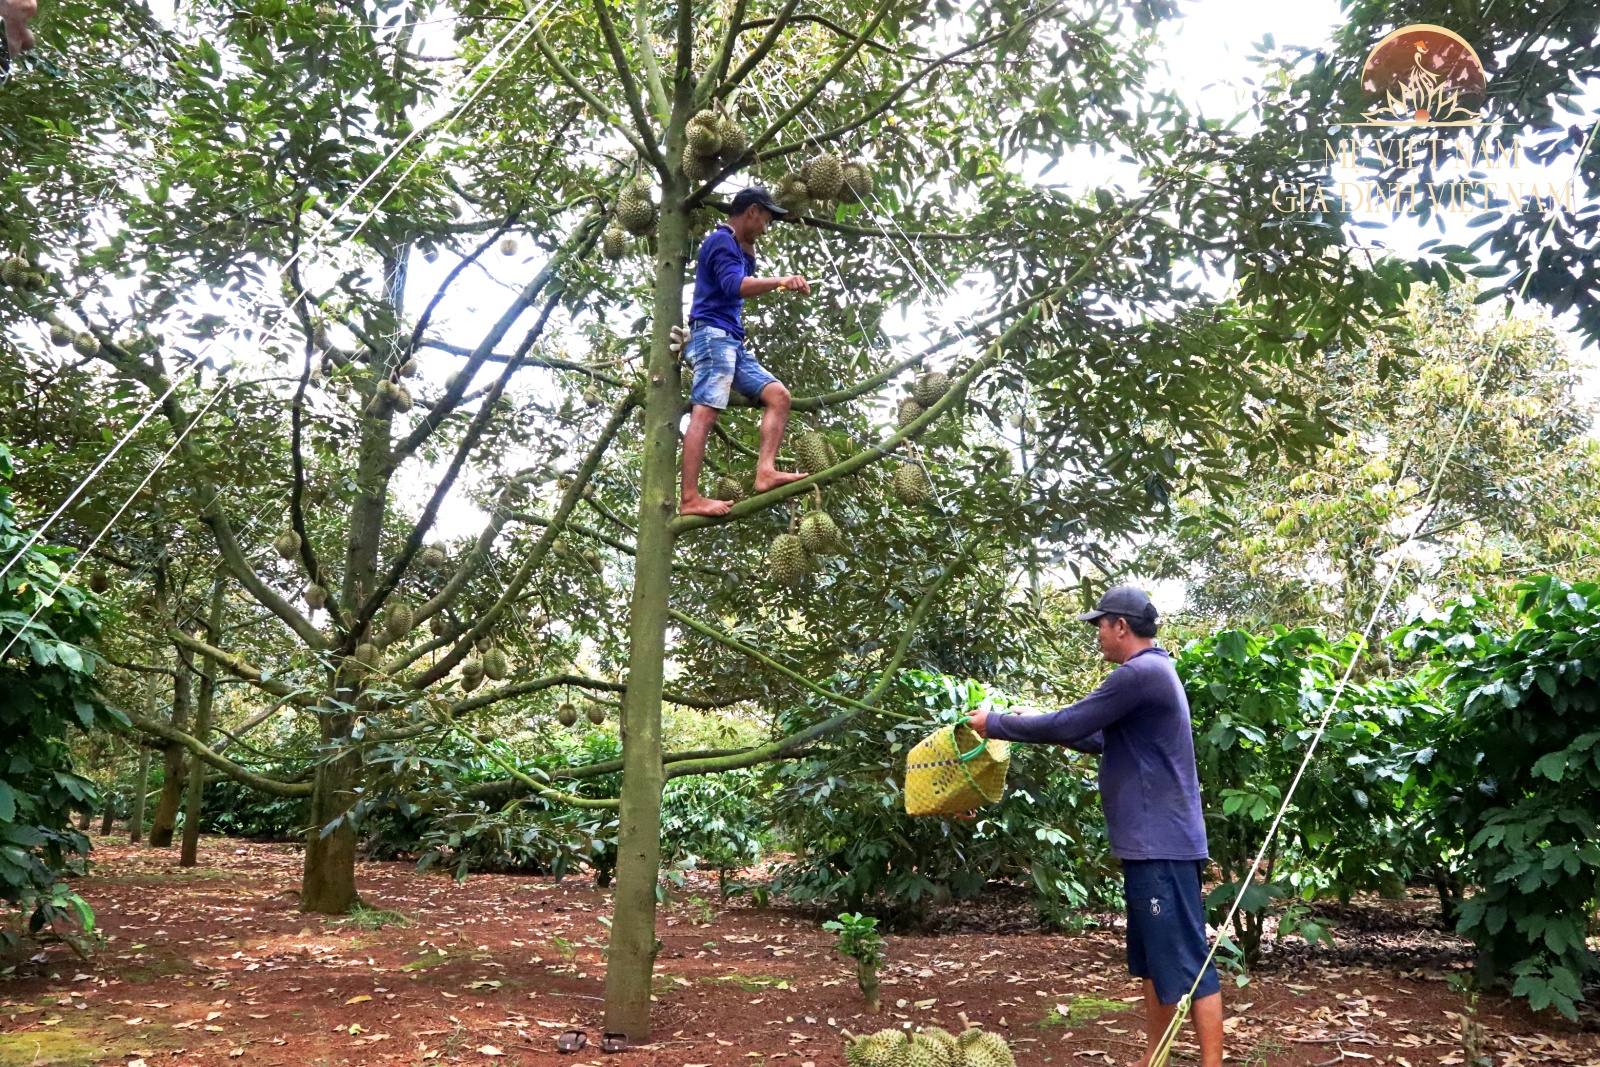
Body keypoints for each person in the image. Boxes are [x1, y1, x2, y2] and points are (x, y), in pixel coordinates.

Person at [966, 586, 1223, 1067]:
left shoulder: (1139, 674)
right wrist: (1027, 721)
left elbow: (1067, 723)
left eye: (1099, 626)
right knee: (1153, 963)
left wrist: (997, 722)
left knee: (1189, 963)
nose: (1098, 636)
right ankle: (1155, 1058)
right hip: (1150, 844)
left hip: (1160, 844)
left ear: (1120, 626)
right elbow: (1096, 737)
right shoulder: (1153, 673)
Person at [678, 185, 810, 518]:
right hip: (712, 336)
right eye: (766, 219)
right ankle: (690, 497)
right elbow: (734, 286)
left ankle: (765, 471)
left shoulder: (736, 246)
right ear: (751, 211)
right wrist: (782, 281)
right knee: (705, 411)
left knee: (779, 396)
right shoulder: (720, 240)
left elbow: (743, 275)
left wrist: (749, 245)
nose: (768, 227)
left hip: (732, 342)